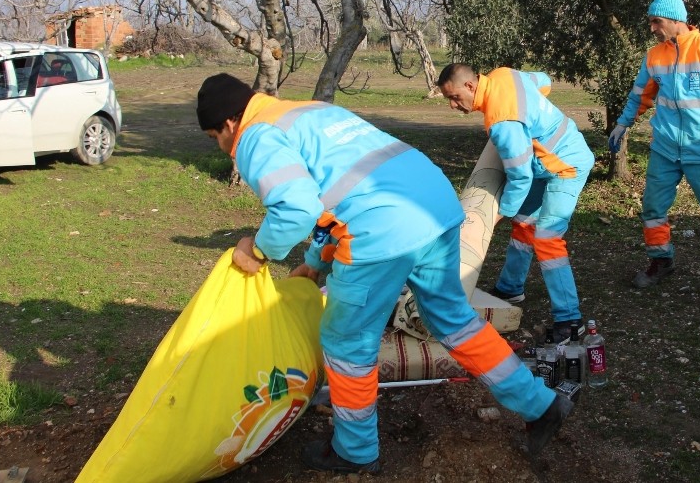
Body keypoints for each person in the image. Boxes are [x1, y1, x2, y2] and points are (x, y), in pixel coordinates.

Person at [196, 73, 572, 475]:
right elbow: (342, 192)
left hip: (383, 231)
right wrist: (315, 263)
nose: (223, 148)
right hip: (436, 208)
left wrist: (257, 250)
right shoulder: (306, 111)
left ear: (229, 124)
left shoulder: (255, 135)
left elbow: (296, 208)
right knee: (456, 322)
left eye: (215, 139)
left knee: (346, 342)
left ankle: (354, 451)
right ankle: (541, 404)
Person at [608, 0, 700, 303]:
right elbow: (640, 95)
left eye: (655, 21)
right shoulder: (654, 56)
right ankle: (661, 261)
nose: (652, 28)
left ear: (676, 20)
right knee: (652, 209)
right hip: (664, 150)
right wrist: (623, 122)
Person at [436, 64, 595, 342]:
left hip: (566, 165)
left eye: (454, 97)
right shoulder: (503, 75)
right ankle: (510, 287)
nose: (452, 105)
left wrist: (498, 214)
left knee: (546, 238)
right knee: (524, 224)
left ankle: (570, 319)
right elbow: (544, 80)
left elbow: (519, 178)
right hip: (543, 164)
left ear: (470, 86)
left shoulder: (503, 122)